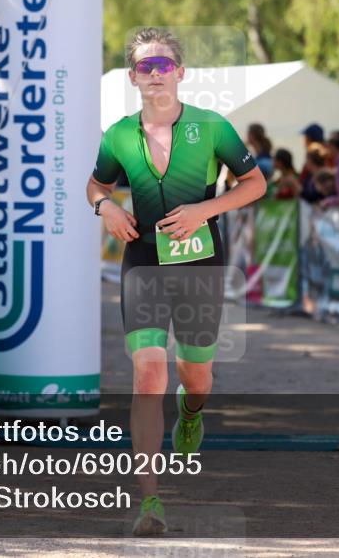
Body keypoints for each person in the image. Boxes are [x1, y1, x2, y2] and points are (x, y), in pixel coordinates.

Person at [86, 27, 266, 536]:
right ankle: (150, 501)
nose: (155, 73)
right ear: (133, 77)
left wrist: (204, 210)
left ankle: (191, 412)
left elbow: (255, 183)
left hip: (199, 262)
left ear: (180, 72)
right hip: (143, 261)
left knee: (196, 376)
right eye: (145, 66)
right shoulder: (119, 135)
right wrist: (105, 207)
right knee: (148, 375)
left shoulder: (211, 127)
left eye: (163, 64)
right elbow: (96, 183)